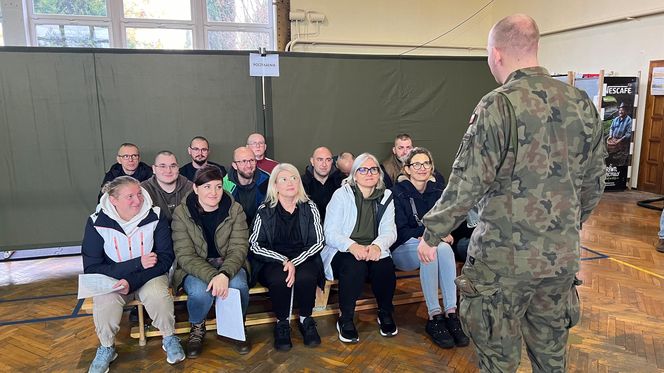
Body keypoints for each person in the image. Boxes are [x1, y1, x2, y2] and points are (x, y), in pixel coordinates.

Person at [416, 14, 607, 372]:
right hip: (559, 260)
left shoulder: (497, 104)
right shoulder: (581, 103)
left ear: (497, 54)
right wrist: (562, 224)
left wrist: (433, 233)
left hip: (502, 265)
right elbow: (595, 183)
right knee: (552, 360)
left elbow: (466, 181)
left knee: (498, 361)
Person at [82, 176, 185, 372]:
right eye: (130, 196)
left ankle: (169, 337)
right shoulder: (96, 222)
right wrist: (135, 264)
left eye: (139, 194)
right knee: (105, 302)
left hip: (150, 274)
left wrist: (133, 279)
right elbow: (92, 268)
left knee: (158, 296)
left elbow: (164, 257)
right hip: (114, 277)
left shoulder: (155, 215)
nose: (137, 200)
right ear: (113, 200)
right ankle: (106, 347)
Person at [389, 147, 469, 349]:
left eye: (426, 163)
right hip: (404, 249)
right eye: (416, 164)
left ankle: (451, 313)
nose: (422, 168)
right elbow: (401, 230)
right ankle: (434, 316)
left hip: (433, 246)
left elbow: (449, 223)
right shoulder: (397, 193)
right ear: (407, 169)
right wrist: (432, 235)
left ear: (432, 167)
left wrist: (439, 235)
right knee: (433, 249)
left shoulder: (439, 192)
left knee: (441, 249)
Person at [171, 165, 251, 357]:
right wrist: (215, 276)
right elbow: (185, 255)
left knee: (238, 285)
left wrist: (224, 273)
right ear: (196, 188)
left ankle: (236, 326)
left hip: (228, 263)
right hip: (195, 266)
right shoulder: (182, 213)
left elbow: (239, 247)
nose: (213, 192)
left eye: (217, 186)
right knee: (200, 292)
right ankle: (197, 328)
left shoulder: (235, 209)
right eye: (207, 187)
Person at [321, 153, 398, 343]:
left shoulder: (386, 196)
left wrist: (377, 246)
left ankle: (385, 312)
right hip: (343, 249)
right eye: (363, 169)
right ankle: (345, 319)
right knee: (354, 267)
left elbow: (390, 231)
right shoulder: (341, 195)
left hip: (373, 248)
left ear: (379, 174)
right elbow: (329, 232)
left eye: (373, 169)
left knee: (385, 267)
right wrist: (352, 246)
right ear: (355, 174)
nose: (369, 173)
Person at [249, 163, 325, 351]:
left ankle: (306, 319)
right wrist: (284, 261)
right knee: (278, 278)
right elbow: (255, 244)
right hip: (273, 258)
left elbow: (318, 241)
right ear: (275, 185)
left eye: (294, 178)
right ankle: (282, 323)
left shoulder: (309, 207)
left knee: (307, 276)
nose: (290, 182)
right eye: (284, 179)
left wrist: (294, 262)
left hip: (304, 256)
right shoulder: (264, 210)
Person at [223, 146, 270, 226]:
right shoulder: (224, 184)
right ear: (234, 165)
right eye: (243, 161)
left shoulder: (267, 180)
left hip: (262, 227)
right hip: (235, 229)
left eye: (252, 160)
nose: (248, 165)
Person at [141, 151, 193, 222]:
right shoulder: (143, 190)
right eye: (162, 166)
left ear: (178, 168)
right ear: (154, 169)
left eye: (173, 166)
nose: (168, 171)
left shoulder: (191, 188)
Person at [301, 146, 344, 222]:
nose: (324, 164)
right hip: (311, 229)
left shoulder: (343, 182)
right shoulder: (301, 183)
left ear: (332, 161)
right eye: (320, 160)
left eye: (328, 160)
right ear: (312, 161)